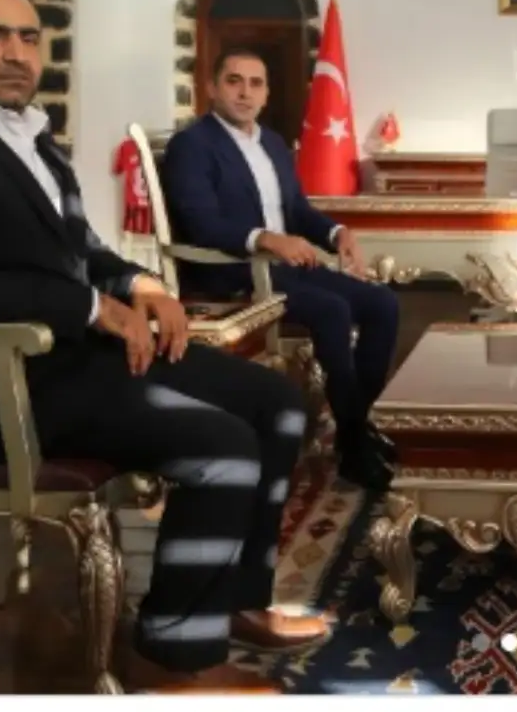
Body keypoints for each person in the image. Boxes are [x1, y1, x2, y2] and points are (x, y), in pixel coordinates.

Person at [0, 0, 332, 693]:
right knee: (223, 446)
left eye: (28, 37)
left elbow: (80, 249)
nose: (15, 52)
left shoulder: (31, 137)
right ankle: (175, 655)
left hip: (75, 360)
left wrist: (142, 286)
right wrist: (89, 305)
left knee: (277, 403)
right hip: (0, 380)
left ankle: (236, 600)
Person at [161, 48, 399, 492]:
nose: (244, 92)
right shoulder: (192, 145)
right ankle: (354, 443)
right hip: (233, 270)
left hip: (285, 267)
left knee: (383, 303)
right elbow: (201, 222)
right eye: (234, 81)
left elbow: (297, 210)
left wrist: (337, 233)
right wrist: (267, 238)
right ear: (211, 88)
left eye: (255, 83)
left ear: (266, 93)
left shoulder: (272, 143)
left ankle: (356, 422)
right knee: (332, 310)